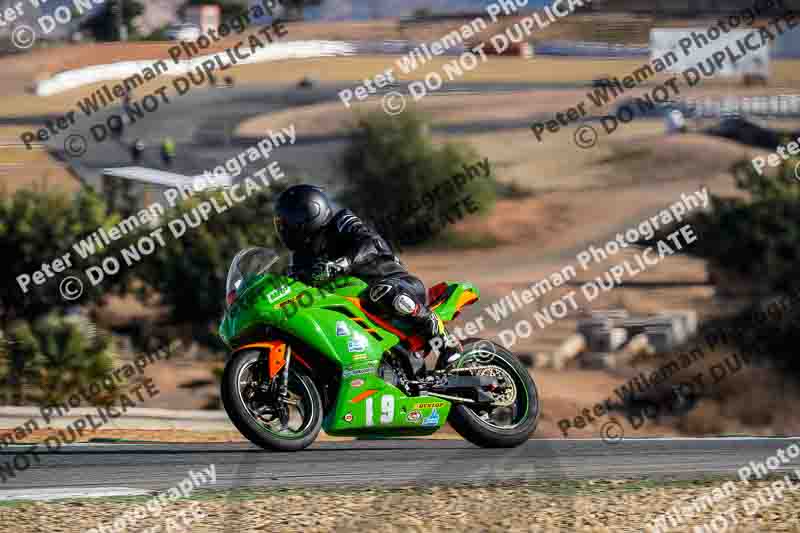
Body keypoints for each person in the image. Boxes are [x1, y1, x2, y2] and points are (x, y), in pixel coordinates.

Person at [273, 184, 463, 369]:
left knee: (381, 291)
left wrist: (343, 263)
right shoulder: (302, 255)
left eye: (285, 221)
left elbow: (371, 243)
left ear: (309, 213)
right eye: (279, 222)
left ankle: (443, 339)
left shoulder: (341, 221)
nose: (282, 228)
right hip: (355, 302)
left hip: (396, 284)